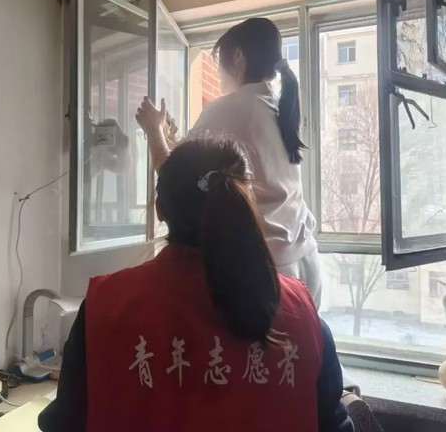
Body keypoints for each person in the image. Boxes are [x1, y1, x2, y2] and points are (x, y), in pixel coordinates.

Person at [38, 137, 352, 432]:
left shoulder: (105, 309)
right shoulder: (302, 314)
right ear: (245, 204)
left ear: (160, 209)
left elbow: (64, 424)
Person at [136, 17, 322, 306]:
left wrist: (152, 129)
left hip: (269, 274)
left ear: (237, 57)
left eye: (219, 64)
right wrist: (170, 136)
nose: (219, 74)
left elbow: (175, 179)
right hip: (305, 261)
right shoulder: (279, 107)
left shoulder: (229, 107)